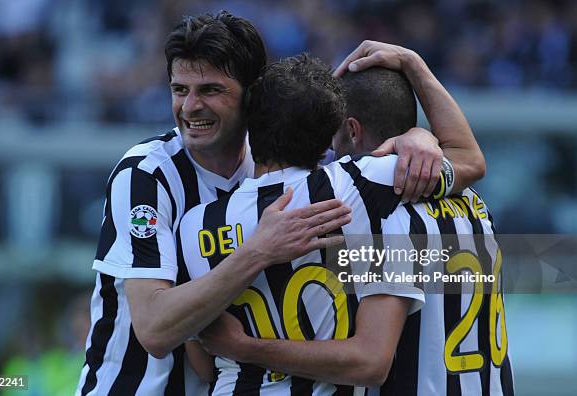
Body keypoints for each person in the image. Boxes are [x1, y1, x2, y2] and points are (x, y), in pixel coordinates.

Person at [76, 12, 485, 395]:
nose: (190, 107)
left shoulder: (283, 161)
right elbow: (155, 331)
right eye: (179, 90)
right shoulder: (145, 176)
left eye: (210, 90)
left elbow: (454, 161)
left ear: (251, 97)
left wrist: (417, 138)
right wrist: (257, 251)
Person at [197, 43, 513, 396]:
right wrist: (413, 66)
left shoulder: (388, 211)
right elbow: (468, 156)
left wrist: (244, 348)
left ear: (351, 130)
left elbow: (369, 359)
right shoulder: (471, 201)